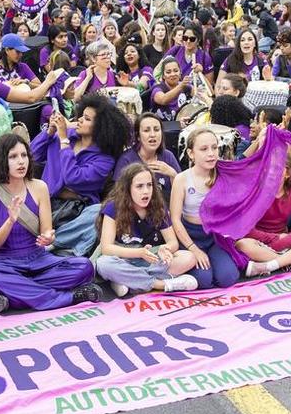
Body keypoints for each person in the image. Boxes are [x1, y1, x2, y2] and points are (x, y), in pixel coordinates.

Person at [0, 133, 99, 312]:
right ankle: (70, 297)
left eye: (24, 155)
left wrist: (48, 238)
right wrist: (10, 221)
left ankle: (16, 296)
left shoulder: (39, 187)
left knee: (84, 267)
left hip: (40, 260)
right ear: (1, 160)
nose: (21, 162)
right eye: (13, 156)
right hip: (5, 264)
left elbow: (47, 231)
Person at [30, 94, 130, 256]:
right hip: (46, 203)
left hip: (77, 212)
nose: (80, 120)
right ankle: (60, 244)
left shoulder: (104, 159)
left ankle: (52, 242)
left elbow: (73, 178)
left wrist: (63, 141)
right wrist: (49, 132)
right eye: (81, 116)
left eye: (87, 119)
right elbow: (31, 156)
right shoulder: (66, 135)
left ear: (100, 128)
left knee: (99, 212)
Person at [94, 163, 198, 297]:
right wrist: (139, 252)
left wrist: (165, 248)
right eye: (139, 186)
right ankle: (161, 285)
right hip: (123, 259)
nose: (146, 191)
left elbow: (173, 243)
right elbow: (106, 248)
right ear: (127, 188)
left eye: (149, 185)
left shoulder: (158, 207)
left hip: (149, 260)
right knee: (103, 264)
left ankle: (127, 280)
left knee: (188, 257)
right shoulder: (113, 207)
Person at [169, 126, 240, 290]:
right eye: (204, 149)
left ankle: (218, 262)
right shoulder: (182, 179)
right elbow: (175, 219)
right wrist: (193, 249)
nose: (211, 153)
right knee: (204, 281)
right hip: (190, 236)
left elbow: (247, 167)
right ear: (191, 153)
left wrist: (265, 142)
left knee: (228, 277)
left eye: (214, 147)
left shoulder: (223, 173)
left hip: (214, 237)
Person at [115, 113, 180, 203]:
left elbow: (182, 193)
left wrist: (172, 174)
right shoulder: (127, 159)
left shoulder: (168, 156)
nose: (152, 134)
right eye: (146, 130)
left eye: (157, 130)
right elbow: (119, 195)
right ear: (138, 136)